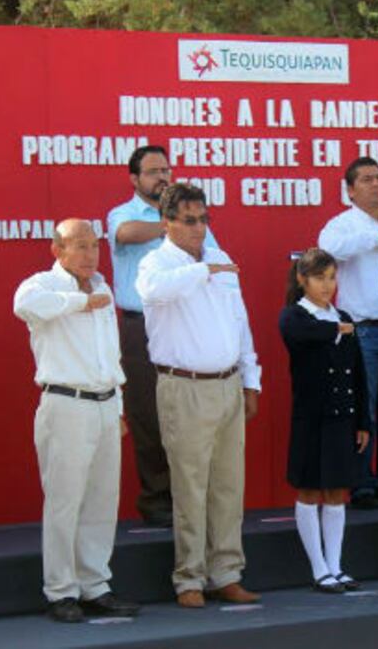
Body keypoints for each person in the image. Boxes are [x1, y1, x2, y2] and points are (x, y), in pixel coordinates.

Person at [135, 183, 261, 608]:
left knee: (229, 486)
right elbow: (153, 293)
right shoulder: (156, 263)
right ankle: (189, 577)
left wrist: (250, 378)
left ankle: (227, 572)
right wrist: (203, 271)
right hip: (183, 385)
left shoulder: (220, 259)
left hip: (227, 383)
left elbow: (240, 322)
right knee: (189, 487)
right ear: (166, 222)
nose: (199, 228)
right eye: (189, 221)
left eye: (204, 219)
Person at [13, 219, 140, 623]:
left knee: (102, 500)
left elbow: (110, 354)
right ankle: (61, 591)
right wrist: (79, 302)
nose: (89, 254)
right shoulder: (42, 286)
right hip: (65, 402)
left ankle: (94, 585)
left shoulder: (102, 287)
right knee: (65, 501)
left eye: (94, 246)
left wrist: (118, 407)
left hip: (104, 403)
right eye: (79, 246)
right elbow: (25, 308)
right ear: (58, 250)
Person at [107, 145, 218, 527]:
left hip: (189, 325)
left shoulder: (195, 222)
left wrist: (183, 223)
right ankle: (157, 502)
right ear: (135, 179)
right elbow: (127, 234)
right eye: (153, 172)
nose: (162, 177)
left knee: (188, 413)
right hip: (141, 327)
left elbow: (216, 261)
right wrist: (173, 223)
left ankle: (189, 500)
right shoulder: (123, 214)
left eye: (166, 170)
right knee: (148, 414)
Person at [318, 156, 378, 510]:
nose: (376, 184)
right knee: (363, 412)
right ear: (350, 190)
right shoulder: (340, 225)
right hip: (363, 332)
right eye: (367, 179)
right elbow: (326, 250)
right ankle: (361, 485)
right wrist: (375, 238)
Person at [278, 248, 371, 593]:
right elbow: (303, 334)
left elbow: (359, 375)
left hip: (341, 419)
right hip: (311, 419)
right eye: (320, 278)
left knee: (336, 491)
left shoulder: (342, 315)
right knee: (309, 489)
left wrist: (363, 420)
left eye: (332, 277)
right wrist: (337, 328)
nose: (327, 285)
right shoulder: (294, 316)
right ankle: (318, 568)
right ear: (302, 279)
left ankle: (336, 565)